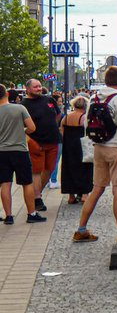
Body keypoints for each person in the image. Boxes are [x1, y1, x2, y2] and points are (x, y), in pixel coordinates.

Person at [73, 66, 117, 243]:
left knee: (97, 189)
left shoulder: (93, 97)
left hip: (98, 147)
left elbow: (86, 125)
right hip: (116, 149)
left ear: (105, 80)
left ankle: (81, 229)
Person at [0, 84, 46, 224]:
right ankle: (31, 213)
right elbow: (32, 127)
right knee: (27, 183)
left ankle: (9, 216)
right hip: (20, 150)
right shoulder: (19, 108)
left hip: (1, 152)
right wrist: (21, 132)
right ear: (7, 94)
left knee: (5, 184)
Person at [21, 78, 61, 212]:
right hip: (36, 142)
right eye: (35, 87)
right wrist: (30, 141)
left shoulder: (49, 100)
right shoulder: (24, 104)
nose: (39, 88)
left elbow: (58, 115)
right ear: (28, 89)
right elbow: (22, 126)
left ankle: (37, 194)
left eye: (39, 86)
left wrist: (52, 127)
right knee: (37, 171)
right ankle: (37, 198)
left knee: (49, 169)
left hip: (53, 140)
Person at [59, 95, 93, 205]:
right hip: (82, 146)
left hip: (68, 146)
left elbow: (61, 130)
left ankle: (71, 196)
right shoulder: (84, 117)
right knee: (85, 168)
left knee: (69, 168)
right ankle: (84, 194)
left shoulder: (67, 117)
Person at [48, 92, 65, 190]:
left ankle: (47, 180)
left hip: (49, 138)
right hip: (58, 139)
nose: (60, 103)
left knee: (50, 160)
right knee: (55, 160)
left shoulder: (48, 112)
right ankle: (53, 180)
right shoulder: (59, 114)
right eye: (59, 101)